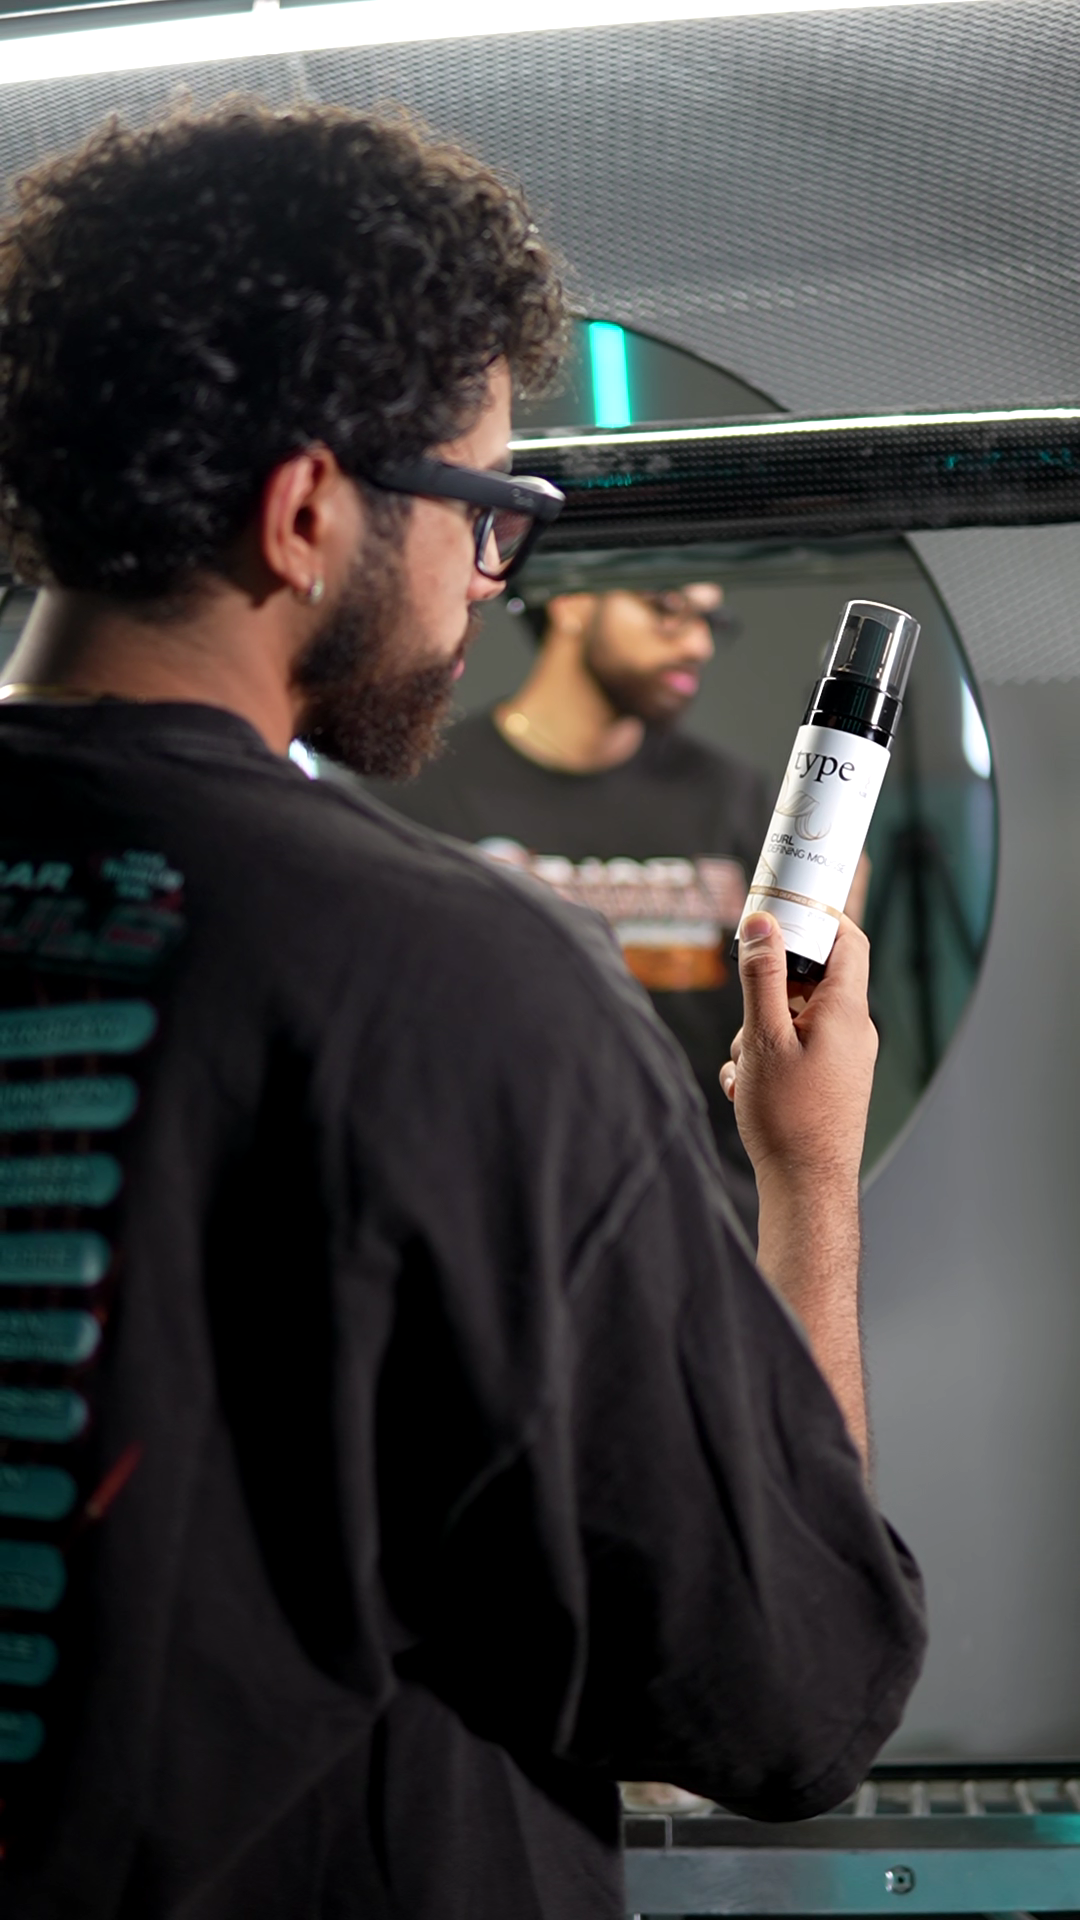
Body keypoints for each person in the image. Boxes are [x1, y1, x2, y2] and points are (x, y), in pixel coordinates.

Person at [0, 100, 924, 1920]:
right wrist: (807, 1180)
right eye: (485, 513)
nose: (491, 578)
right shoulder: (456, 989)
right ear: (307, 512)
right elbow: (788, 1698)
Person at [369, 574, 772, 1229]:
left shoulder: (737, 800)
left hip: (704, 1219)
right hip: (484, 1219)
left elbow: (788, 1036)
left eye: (710, 622)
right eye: (667, 609)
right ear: (573, 600)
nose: (697, 644)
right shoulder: (420, 798)